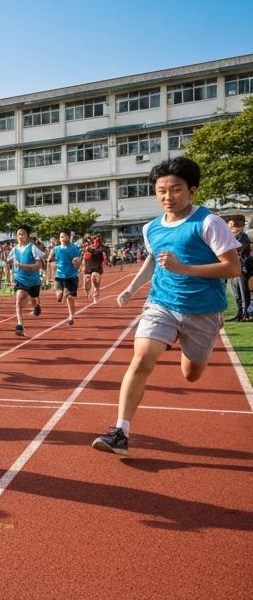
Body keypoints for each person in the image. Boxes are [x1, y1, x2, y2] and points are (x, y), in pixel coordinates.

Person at [92, 157, 241, 456]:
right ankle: (120, 432)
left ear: (192, 191)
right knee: (141, 360)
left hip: (203, 310)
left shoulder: (208, 223)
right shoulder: (151, 228)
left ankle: (190, 345)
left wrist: (184, 268)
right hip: (162, 303)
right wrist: (132, 288)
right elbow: (154, 260)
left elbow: (232, 267)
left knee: (192, 374)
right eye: (161, 190)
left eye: (175, 189)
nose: (167, 196)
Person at [10, 226, 45, 336]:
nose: (20, 236)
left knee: (33, 297)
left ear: (27, 236)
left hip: (33, 281)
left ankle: (36, 306)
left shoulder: (32, 248)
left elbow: (39, 265)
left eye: (22, 234)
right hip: (20, 279)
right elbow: (8, 261)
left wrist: (23, 266)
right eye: (18, 234)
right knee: (19, 299)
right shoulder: (14, 249)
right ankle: (20, 325)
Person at [49, 230, 83, 326]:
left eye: (64, 236)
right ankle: (61, 292)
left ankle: (71, 316)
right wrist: (52, 261)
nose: (62, 239)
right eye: (60, 237)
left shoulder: (74, 248)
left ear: (69, 237)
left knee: (70, 298)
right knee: (59, 296)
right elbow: (49, 259)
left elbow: (79, 262)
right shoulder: (56, 249)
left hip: (71, 277)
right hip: (59, 276)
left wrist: (77, 262)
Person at [224, 215, 251, 321]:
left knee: (242, 292)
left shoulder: (243, 236)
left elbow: (235, 249)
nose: (230, 227)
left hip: (242, 268)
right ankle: (240, 313)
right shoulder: (232, 236)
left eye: (232, 225)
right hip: (233, 268)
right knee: (236, 293)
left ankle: (245, 313)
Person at [83, 235, 106, 303]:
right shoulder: (87, 248)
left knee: (95, 280)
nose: (96, 242)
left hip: (96, 267)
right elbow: (85, 258)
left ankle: (95, 295)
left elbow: (103, 258)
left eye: (97, 241)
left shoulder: (100, 250)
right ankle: (90, 292)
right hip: (88, 266)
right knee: (86, 284)